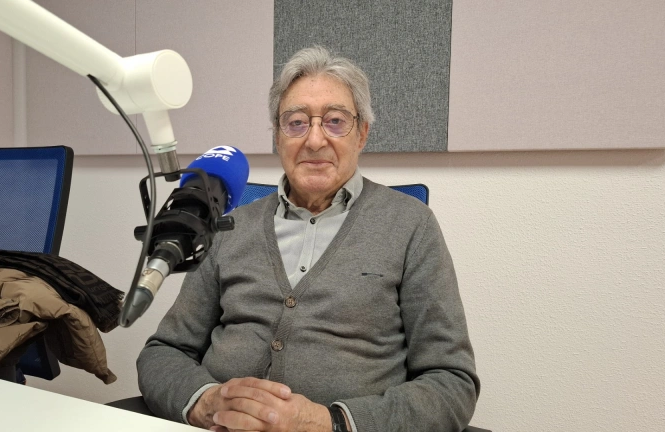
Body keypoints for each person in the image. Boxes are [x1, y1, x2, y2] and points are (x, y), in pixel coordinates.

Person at [137, 45, 479, 432]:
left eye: (335, 121)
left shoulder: (411, 225)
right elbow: (164, 351)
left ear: (362, 134)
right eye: (296, 122)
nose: (314, 140)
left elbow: (452, 384)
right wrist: (204, 401)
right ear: (277, 137)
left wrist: (328, 422)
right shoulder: (230, 226)